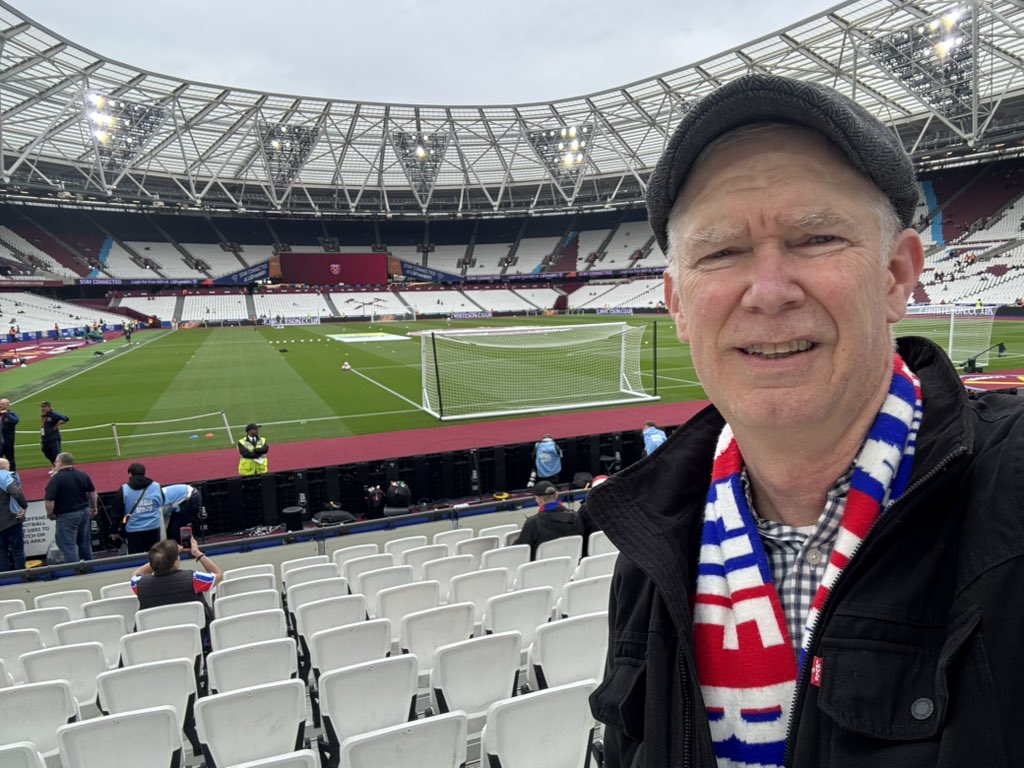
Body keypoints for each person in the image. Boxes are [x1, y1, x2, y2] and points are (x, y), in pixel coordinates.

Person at [586, 74, 1024, 768]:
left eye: (816, 237)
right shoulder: (649, 556)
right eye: (720, 252)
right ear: (677, 304)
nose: (768, 292)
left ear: (897, 274)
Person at [130, 537, 221, 619]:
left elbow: (136, 574)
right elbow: (218, 575)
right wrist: (197, 553)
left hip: (157, 632)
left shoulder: (139, 584)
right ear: (176, 562)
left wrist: (158, 560)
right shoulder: (194, 579)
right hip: (194, 630)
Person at [44, 452, 97, 562]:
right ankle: (89, 566)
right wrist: (94, 507)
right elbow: (92, 493)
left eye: (56, 462)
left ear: (60, 463)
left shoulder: (56, 479)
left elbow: (49, 500)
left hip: (67, 515)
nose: (54, 464)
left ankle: (74, 569)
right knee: (84, 542)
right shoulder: (82, 474)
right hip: (84, 512)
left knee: (68, 545)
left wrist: (50, 513)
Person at [513, 481, 584, 559]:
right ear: (556, 494)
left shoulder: (533, 523)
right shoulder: (575, 517)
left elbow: (519, 551)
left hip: (540, 565)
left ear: (538, 499)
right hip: (570, 564)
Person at [114, 462, 164, 554]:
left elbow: (117, 512)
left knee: (136, 559)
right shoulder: (156, 486)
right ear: (145, 473)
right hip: (153, 528)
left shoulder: (124, 490)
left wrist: (115, 530)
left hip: (133, 530)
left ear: (130, 474)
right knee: (155, 556)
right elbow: (162, 502)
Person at [0, 458, 28, 571]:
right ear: (4, 467)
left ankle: (6, 578)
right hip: (11, 519)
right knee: (17, 550)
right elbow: (16, 492)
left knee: (1, 552)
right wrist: (24, 506)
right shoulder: (5, 476)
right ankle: (21, 575)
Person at [40, 401, 69, 465]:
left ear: (49, 407)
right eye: (41, 407)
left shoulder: (53, 414)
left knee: (57, 454)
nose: (42, 408)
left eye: (44, 407)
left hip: (53, 438)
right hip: (45, 438)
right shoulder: (44, 414)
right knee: (46, 451)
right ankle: (55, 465)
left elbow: (66, 418)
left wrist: (58, 424)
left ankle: (61, 467)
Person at [2, 399, 22, 471]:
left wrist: (6, 414)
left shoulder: (12, 414)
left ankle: (12, 473)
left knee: (10, 458)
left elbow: (15, 421)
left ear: (7, 406)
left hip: (8, 441)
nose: (0, 405)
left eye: (2, 404)